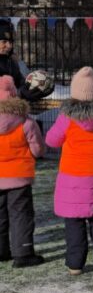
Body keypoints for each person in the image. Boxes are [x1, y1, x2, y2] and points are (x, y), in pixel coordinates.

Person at [45, 67, 93, 275]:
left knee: (74, 222)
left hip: (72, 178)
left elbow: (51, 140)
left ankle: (75, 264)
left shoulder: (67, 119)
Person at [0, 76, 46, 268]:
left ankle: (2, 251)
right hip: (19, 176)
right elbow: (38, 149)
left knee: (0, 215)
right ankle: (23, 252)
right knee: (21, 215)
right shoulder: (26, 122)